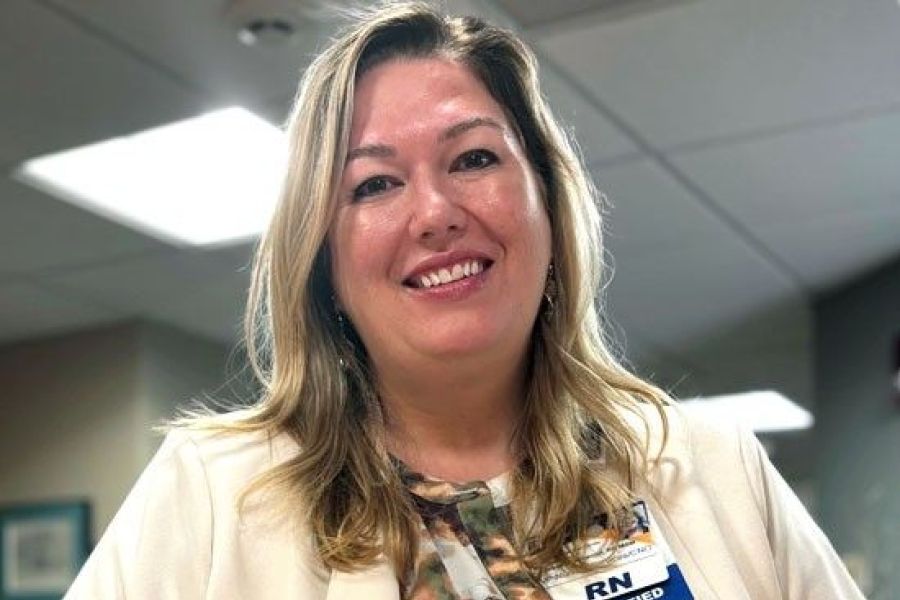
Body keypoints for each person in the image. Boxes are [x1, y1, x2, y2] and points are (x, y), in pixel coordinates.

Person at [65, 3, 864, 599]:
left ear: (548, 201)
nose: (435, 213)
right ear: (322, 257)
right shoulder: (209, 495)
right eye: (374, 184)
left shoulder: (714, 467)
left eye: (474, 158)